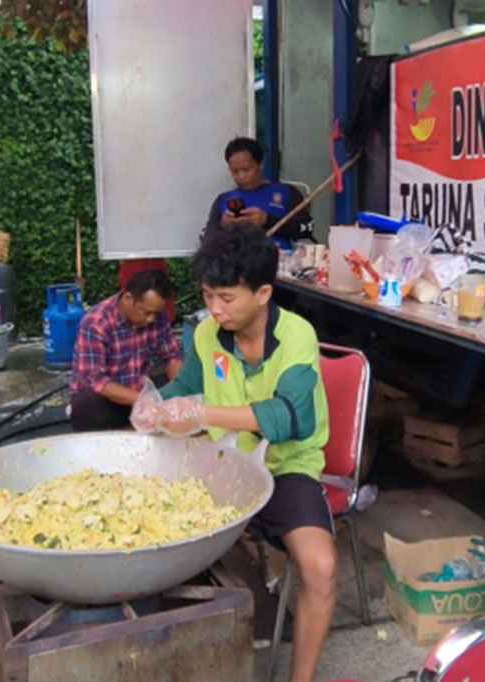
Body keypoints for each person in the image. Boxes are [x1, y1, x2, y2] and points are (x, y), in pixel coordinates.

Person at [133, 227, 335, 682]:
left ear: (263, 292)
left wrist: (202, 411)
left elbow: (289, 418)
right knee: (159, 537)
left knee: (320, 569)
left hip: (286, 470)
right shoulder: (207, 334)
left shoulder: (296, 337)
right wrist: (155, 403)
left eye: (226, 297)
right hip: (224, 466)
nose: (215, 309)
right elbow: (188, 386)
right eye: (207, 296)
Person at [68, 269, 183, 431]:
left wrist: (180, 393)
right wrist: (147, 401)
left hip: (140, 391)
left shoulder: (158, 317)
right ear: (128, 299)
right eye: (146, 312)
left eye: (156, 313)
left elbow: (173, 356)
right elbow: (95, 380)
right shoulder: (96, 322)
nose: (151, 319)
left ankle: (140, 425)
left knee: (187, 382)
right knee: (86, 406)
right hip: (109, 399)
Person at [202, 136, 315, 250]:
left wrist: (267, 220)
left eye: (246, 169)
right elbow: (207, 240)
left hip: (280, 261)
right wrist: (224, 227)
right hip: (237, 263)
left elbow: (307, 228)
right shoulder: (223, 200)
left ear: (260, 165)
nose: (241, 176)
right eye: (235, 171)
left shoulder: (286, 192)